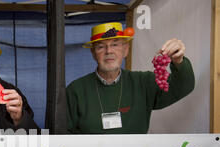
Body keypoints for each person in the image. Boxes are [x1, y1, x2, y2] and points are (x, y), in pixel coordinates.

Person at [66, 22, 195, 134]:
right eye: (101, 47)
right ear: (93, 53)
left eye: (115, 45)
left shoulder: (144, 83)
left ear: (126, 50)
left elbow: (183, 86)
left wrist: (178, 61)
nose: (109, 51)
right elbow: (62, 134)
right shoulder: (75, 90)